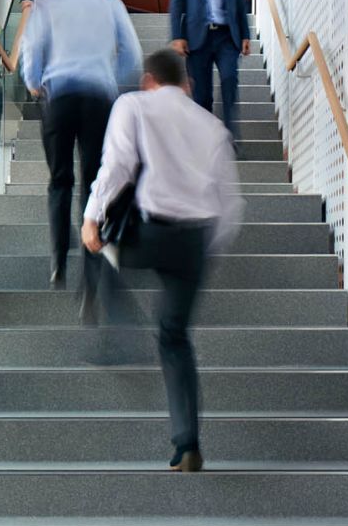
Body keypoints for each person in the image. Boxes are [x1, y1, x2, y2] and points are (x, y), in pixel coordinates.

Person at [82, 48, 242, 472]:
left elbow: (117, 165)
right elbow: (231, 205)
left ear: (148, 79)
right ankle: (187, 444)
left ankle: (121, 333)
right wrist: (206, 254)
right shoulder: (211, 126)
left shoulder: (133, 105)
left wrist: (91, 218)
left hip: (148, 234)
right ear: (186, 84)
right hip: (194, 242)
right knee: (174, 337)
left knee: (97, 250)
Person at [20, 0, 142, 314]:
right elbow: (132, 56)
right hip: (98, 101)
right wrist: (111, 83)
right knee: (95, 185)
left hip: (58, 99)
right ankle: (91, 280)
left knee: (59, 181)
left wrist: (35, 83)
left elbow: (31, 50)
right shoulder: (111, 4)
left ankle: (58, 261)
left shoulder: (45, 2)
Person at [169, 0, 251, 136]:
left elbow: (240, 5)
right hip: (197, 38)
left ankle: (229, 136)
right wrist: (177, 36)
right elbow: (177, 4)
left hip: (227, 36)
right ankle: (204, 139)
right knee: (202, 94)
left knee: (229, 80)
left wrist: (245, 35)